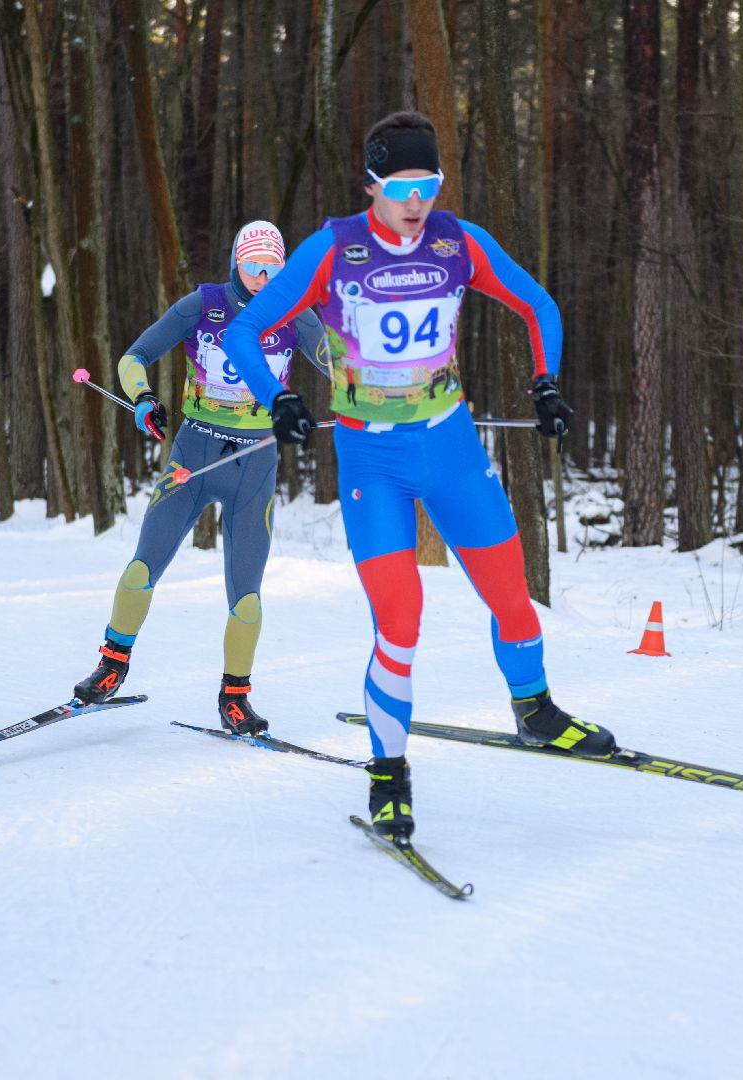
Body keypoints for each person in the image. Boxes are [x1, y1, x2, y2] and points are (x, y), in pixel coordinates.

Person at [221, 111, 616, 841]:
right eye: (400, 185)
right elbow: (246, 328)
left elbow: (538, 303)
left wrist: (546, 382)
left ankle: (535, 711)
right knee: (400, 622)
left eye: (427, 183)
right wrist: (276, 397)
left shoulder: (456, 241)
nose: (415, 200)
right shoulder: (333, 250)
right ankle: (389, 776)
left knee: (514, 599)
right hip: (374, 462)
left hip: (453, 448)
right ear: (371, 183)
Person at [71, 221, 328, 735]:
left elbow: (340, 367)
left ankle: (235, 697)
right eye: (254, 266)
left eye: (273, 269)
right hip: (193, 455)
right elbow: (134, 357)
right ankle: (112, 664)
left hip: (255, 464)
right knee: (143, 564)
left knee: (248, 594)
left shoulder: (295, 313)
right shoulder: (204, 305)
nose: (262, 278)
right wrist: (143, 400)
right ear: (237, 263)